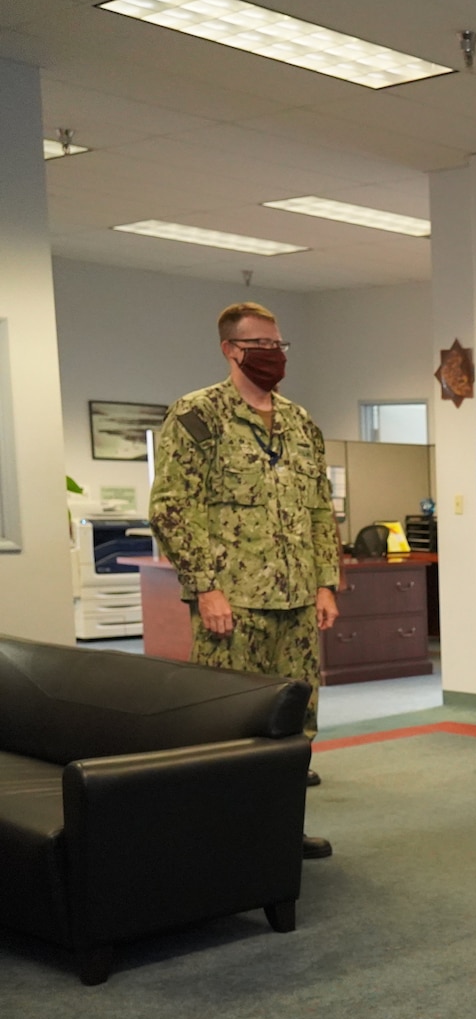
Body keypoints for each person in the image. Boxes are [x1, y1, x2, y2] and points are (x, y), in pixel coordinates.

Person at [149, 302, 341, 860]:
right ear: (231, 350)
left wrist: (325, 583)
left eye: (279, 345)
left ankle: (282, 829)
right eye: (261, 345)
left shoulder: (302, 424)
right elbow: (171, 507)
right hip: (234, 605)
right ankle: (223, 838)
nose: (274, 354)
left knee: (294, 724)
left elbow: (318, 510)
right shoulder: (197, 415)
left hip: (297, 602)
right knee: (229, 725)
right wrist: (205, 586)